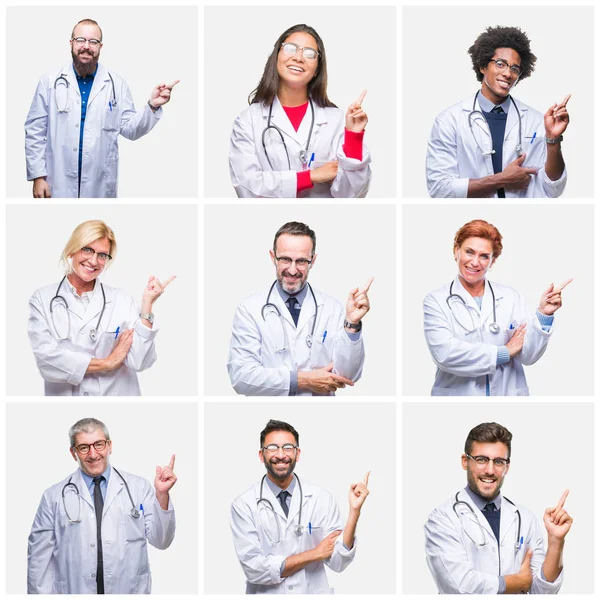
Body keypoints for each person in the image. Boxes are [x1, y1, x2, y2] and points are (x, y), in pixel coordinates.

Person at [25, 18, 179, 198]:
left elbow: (130, 129)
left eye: (93, 42)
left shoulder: (116, 84)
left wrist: (152, 106)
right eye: (80, 40)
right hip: (57, 182)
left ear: (100, 47)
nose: (86, 46)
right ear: (71, 43)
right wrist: (38, 176)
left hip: (98, 185)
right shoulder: (49, 82)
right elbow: (35, 131)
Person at [27, 417, 177, 594]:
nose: (92, 454)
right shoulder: (53, 497)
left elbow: (161, 541)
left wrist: (161, 494)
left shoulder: (138, 488)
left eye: (99, 444)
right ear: (73, 452)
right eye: (84, 447)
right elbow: (39, 562)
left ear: (110, 446)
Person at [423, 219, 571, 396]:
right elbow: (445, 354)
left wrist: (544, 315)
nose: (475, 262)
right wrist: (505, 351)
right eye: (469, 252)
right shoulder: (436, 300)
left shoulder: (510, 297)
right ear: (456, 251)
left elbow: (528, 356)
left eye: (484, 256)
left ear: (492, 261)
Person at [28, 220, 175, 396]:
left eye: (102, 255)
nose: (93, 261)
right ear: (73, 249)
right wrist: (108, 362)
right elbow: (46, 360)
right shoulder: (43, 299)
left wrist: (147, 305)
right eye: (87, 250)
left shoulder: (121, 300)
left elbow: (139, 362)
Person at [424, 422, 572, 594]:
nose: (490, 470)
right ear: (465, 462)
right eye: (481, 460)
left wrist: (556, 543)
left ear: (507, 467)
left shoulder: (525, 519)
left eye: (499, 462)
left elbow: (542, 592)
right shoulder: (443, 518)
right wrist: (516, 583)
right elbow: (457, 586)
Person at [227, 221, 372, 396]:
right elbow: (242, 377)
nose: (293, 270)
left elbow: (348, 376)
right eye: (286, 259)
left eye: (301, 261)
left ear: (313, 261)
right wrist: (304, 380)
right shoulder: (249, 309)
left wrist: (352, 323)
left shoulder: (332, 308)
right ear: (273, 257)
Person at [426, 26, 571, 198]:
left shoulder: (536, 121)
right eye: (500, 64)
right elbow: (439, 188)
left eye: (515, 69)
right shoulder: (449, 120)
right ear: (482, 66)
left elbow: (553, 189)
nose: (508, 73)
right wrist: (501, 179)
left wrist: (553, 140)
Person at [229, 24, 371, 198]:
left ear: (317, 69)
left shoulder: (337, 120)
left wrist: (353, 137)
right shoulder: (249, 120)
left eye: (309, 53)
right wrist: (311, 176)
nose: (298, 57)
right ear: (276, 56)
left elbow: (352, 194)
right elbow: (247, 188)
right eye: (291, 48)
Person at [230, 419, 370, 593]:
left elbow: (338, 561)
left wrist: (354, 512)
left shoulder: (321, 498)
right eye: (272, 448)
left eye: (288, 447)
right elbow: (254, 569)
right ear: (261, 455)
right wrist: (315, 554)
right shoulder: (244, 504)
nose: (280, 455)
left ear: (298, 453)